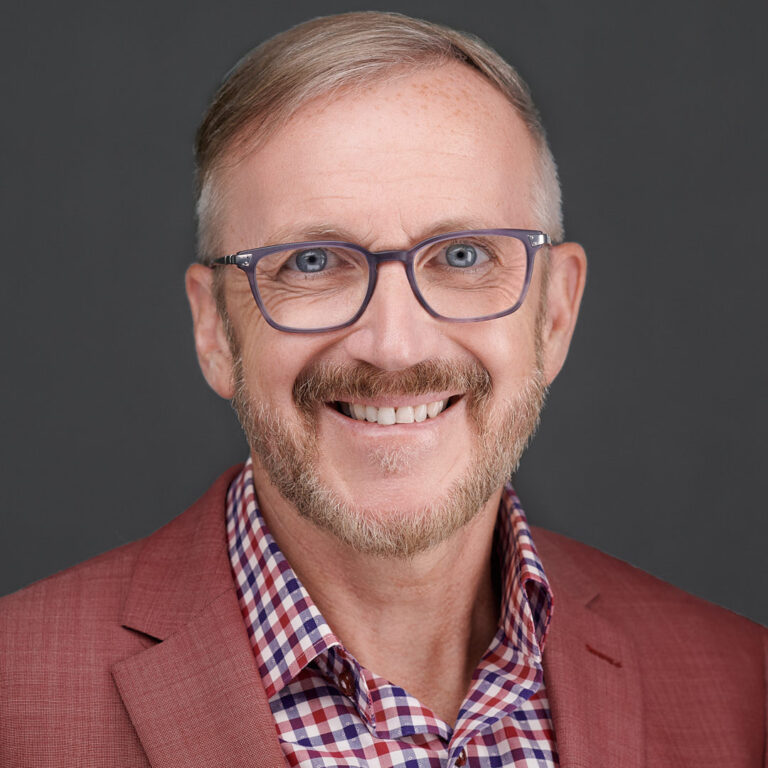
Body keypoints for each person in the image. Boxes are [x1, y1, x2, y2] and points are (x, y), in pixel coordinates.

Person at [1, 11, 765, 768]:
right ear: (214, 329)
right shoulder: (16, 698)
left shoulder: (745, 691)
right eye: (311, 263)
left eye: (463, 256)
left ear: (556, 313)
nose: (394, 346)